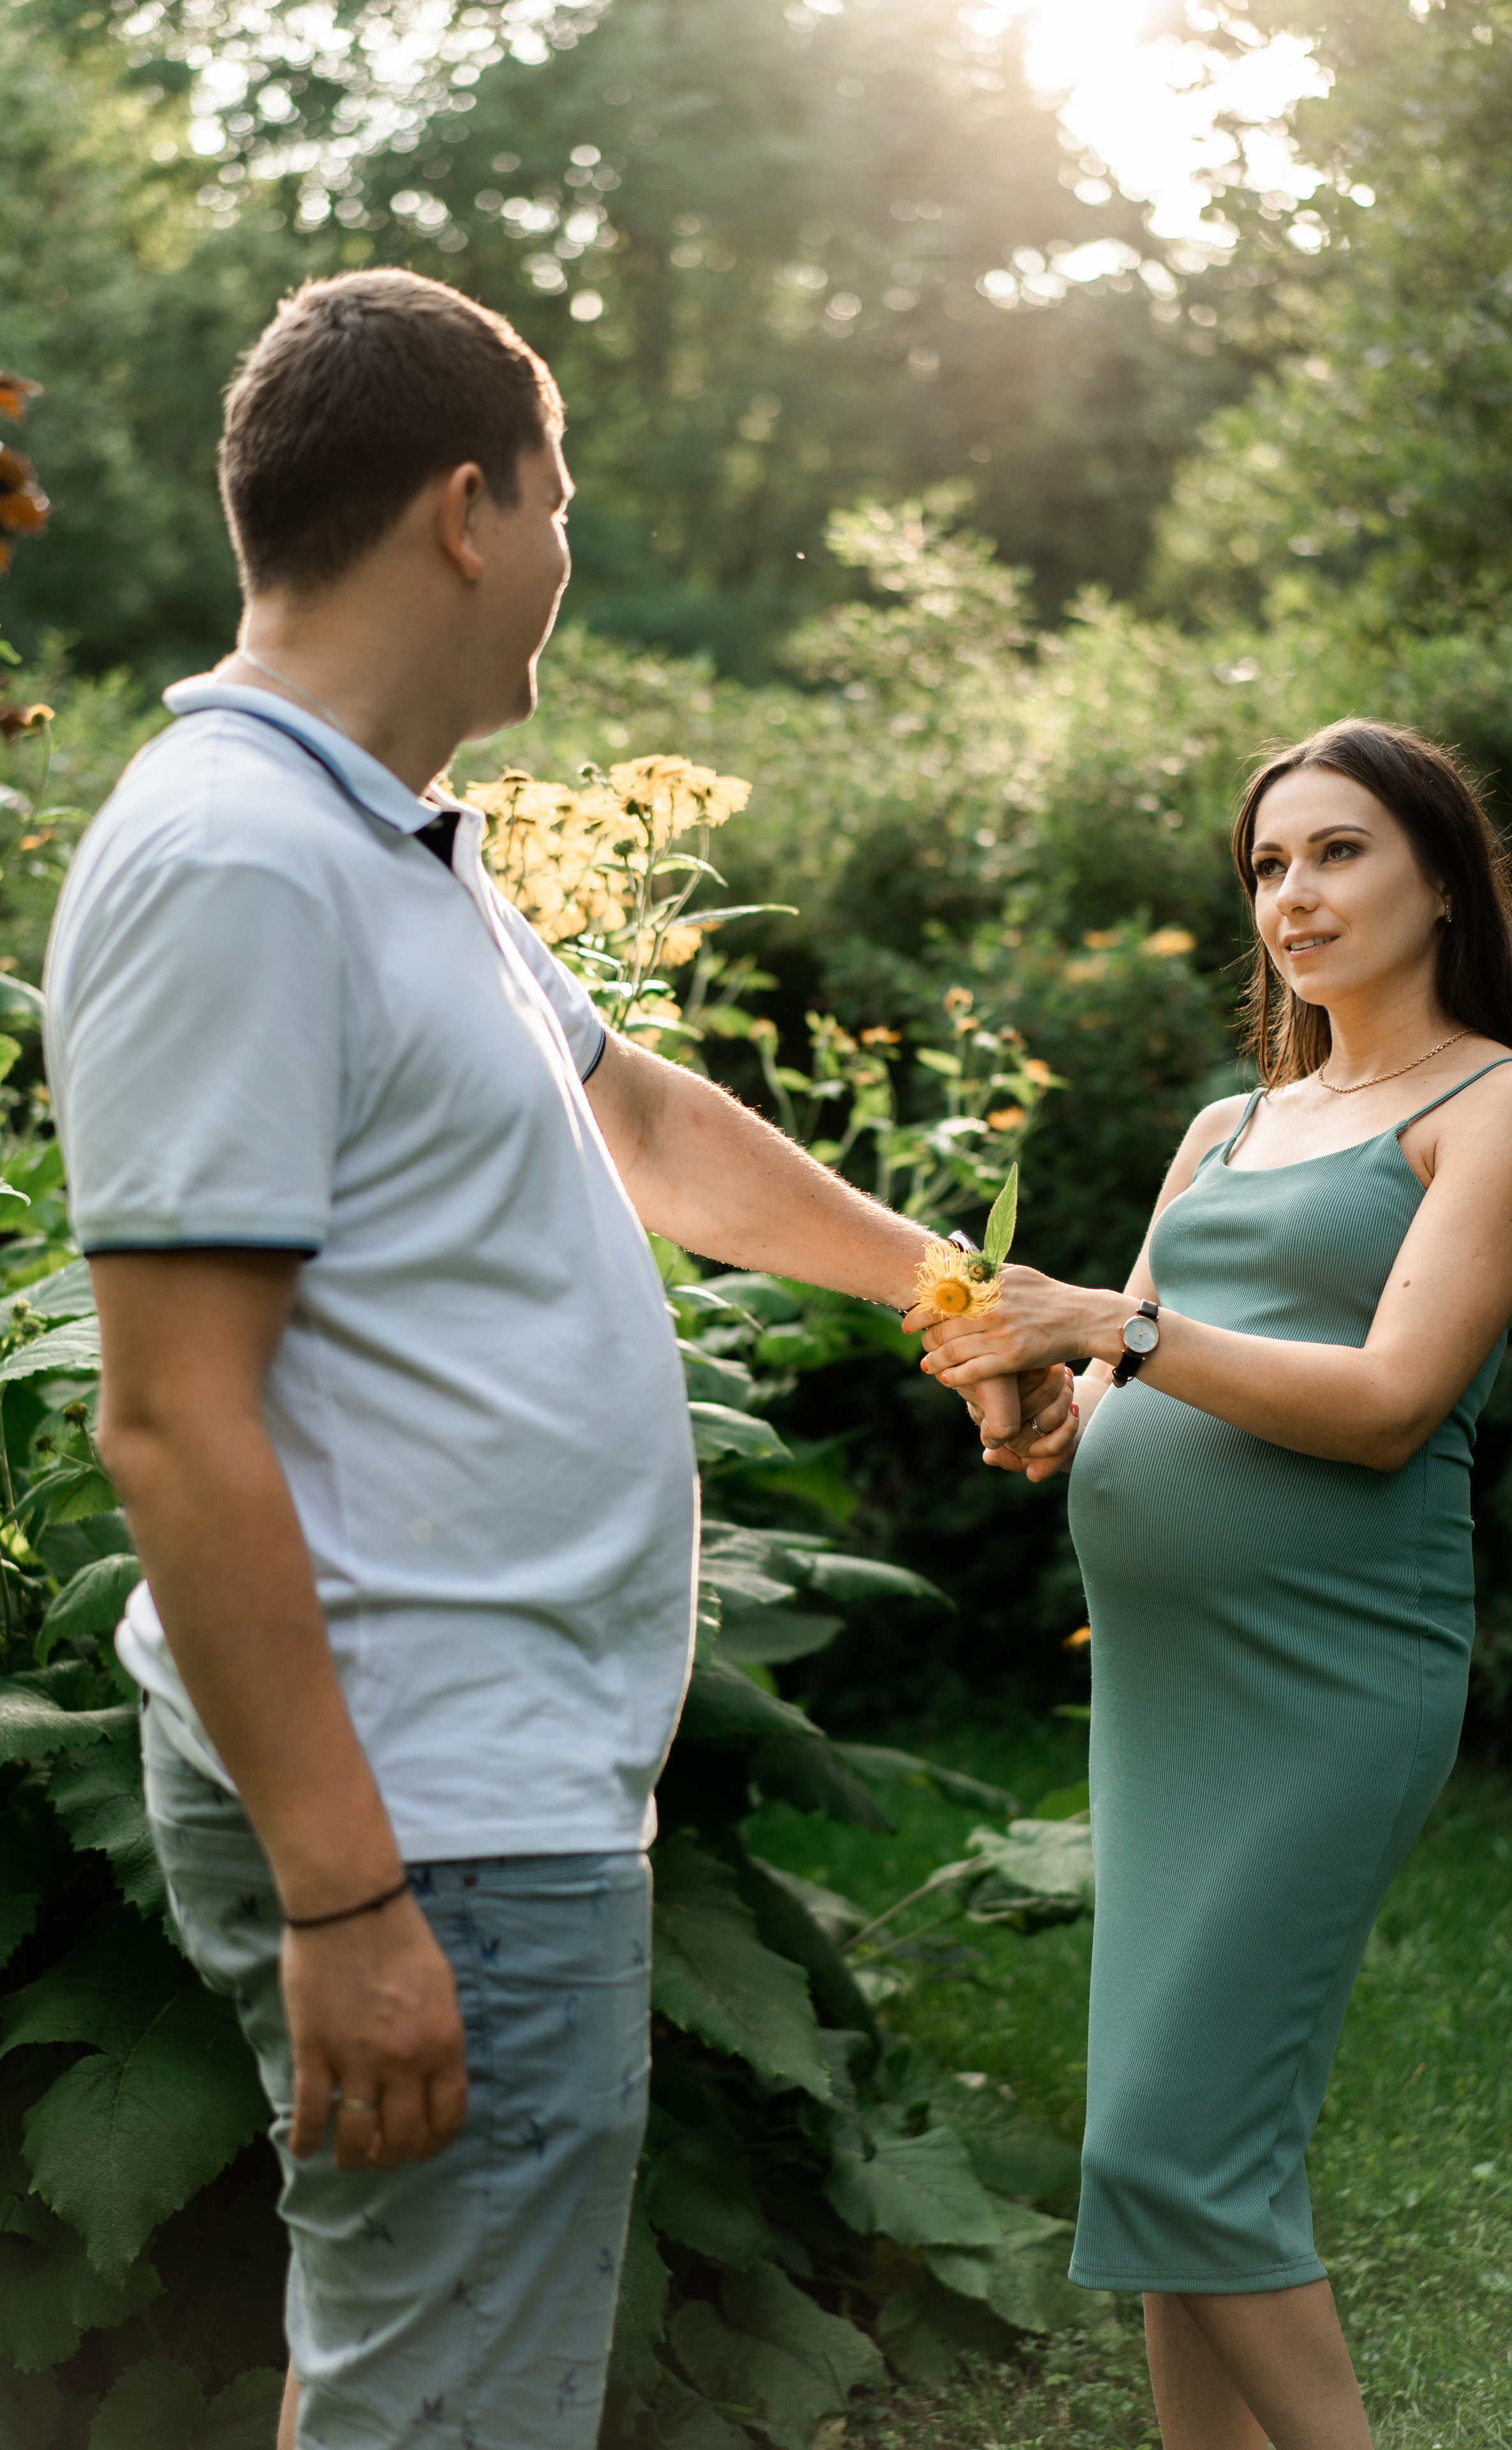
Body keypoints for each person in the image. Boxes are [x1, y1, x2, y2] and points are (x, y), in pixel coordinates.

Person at [42, 267, 1064, 2450]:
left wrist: (945, 1299)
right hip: (426, 1812)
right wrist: (347, 1896)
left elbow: (646, 1116)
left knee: (412, 2386)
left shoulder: (387, 842)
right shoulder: (234, 858)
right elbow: (169, 1416)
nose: (575, 554)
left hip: (478, 1798)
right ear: (467, 510)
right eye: (567, 495)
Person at [910, 719, 1512, 2450]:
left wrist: (1109, 1326)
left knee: (1168, 2149)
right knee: (1170, 2167)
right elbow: (1134, 1373)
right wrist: (1044, 1391)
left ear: (1440, 880)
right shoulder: (1226, 1125)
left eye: (1340, 852)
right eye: (1269, 864)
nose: (1296, 893)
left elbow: (1386, 1405)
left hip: (1331, 1679)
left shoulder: (1502, 1109)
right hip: (1167, 1684)